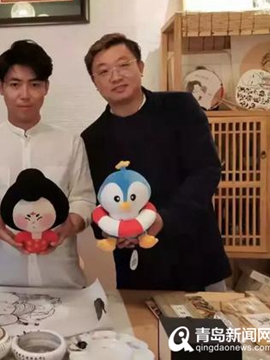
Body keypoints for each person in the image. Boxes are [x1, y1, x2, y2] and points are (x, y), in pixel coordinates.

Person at [81, 33, 231, 292]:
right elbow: (96, 201)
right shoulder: (92, 138)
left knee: (206, 319)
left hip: (196, 255)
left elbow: (206, 170)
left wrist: (163, 219)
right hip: (137, 266)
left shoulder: (180, 107)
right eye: (103, 71)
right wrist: (108, 230)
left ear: (140, 67)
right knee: (140, 319)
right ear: (95, 83)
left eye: (123, 65)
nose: (115, 76)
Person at [0, 40, 95, 288]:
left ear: (46, 88)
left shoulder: (70, 143)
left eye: (34, 84)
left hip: (62, 282)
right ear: (1, 87)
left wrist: (68, 226)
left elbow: (84, 198)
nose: (25, 94)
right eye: (15, 84)